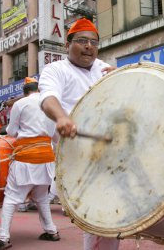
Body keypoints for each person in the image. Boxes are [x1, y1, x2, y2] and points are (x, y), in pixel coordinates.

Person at [39, 17, 119, 250]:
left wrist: (123, 78)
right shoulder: (56, 69)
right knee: (97, 216)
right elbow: (48, 98)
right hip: (78, 155)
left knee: (113, 216)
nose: (89, 46)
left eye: (94, 42)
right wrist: (62, 117)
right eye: (82, 41)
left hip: (110, 151)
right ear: (67, 45)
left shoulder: (104, 68)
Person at [0, 77, 60, 250]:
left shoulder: (21, 104)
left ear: (25, 91)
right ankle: (51, 231)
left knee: (12, 198)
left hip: (26, 157)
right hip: (46, 159)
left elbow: (12, 131)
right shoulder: (52, 105)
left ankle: (4, 238)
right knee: (41, 197)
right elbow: (56, 137)